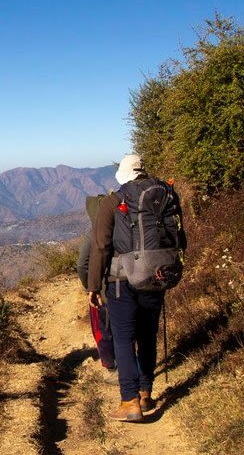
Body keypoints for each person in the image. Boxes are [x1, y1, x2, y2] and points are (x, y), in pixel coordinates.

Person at [86, 154, 186, 422]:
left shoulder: (114, 200)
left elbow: (100, 246)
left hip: (121, 282)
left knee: (123, 339)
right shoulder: (163, 194)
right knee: (147, 336)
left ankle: (129, 401)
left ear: (123, 173)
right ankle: (145, 393)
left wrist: (94, 286)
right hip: (157, 276)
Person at [77, 196, 117, 383]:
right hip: (128, 282)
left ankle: (111, 366)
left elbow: (82, 264)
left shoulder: (94, 233)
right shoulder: (125, 226)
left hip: (103, 288)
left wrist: (91, 288)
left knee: (104, 327)